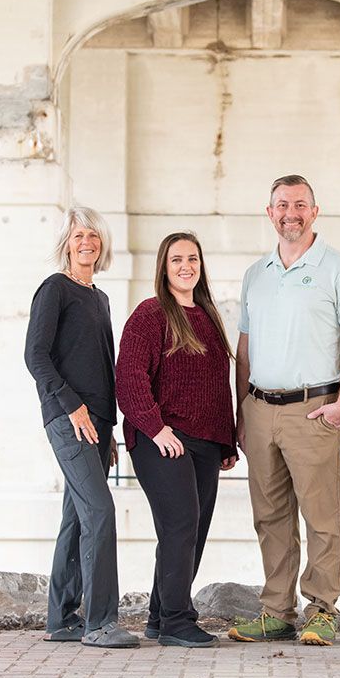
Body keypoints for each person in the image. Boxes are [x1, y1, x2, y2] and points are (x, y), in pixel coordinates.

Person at [228, 174, 340, 646]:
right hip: (260, 409)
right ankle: (276, 612)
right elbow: (244, 351)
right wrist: (240, 413)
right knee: (270, 517)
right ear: (269, 212)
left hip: (314, 410)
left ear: (315, 211)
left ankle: (322, 609)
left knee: (322, 515)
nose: (291, 213)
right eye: (282, 205)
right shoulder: (256, 274)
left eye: (300, 204)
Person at [116, 232, 238, 649]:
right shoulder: (150, 315)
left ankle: (157, 614)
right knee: (181, 522)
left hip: (205, 441)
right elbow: (129, 379)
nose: (186, 266)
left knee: (192, 529)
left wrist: (226, 443)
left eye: (192, 258)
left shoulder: (207, 314)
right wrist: (155, 428)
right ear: (163, 268)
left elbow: (217, 385)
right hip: (161, 438)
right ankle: (176, 621)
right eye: (176, 260)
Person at [24, 206, 138, 649]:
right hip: (69, 418)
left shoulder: (100, 298)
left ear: (102, 243)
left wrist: (108, 430)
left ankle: (62, 619)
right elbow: (36, 357)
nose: (86, 242)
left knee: (75, 518)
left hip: (97, 425)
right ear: (66, 245)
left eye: (93, 235)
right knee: (100, 512)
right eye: (77, 236)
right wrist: (72, 408)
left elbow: (103, 369)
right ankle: (100, 623)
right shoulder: (54, 290)